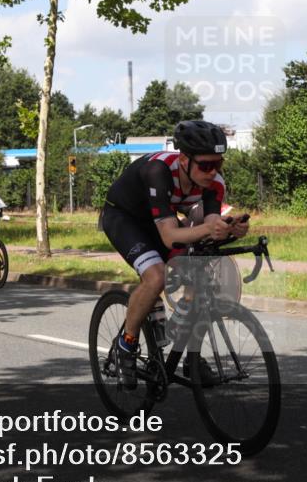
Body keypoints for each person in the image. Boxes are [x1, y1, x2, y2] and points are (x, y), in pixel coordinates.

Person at [101, 120, 250, 389]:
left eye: (219, 164)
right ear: (183, 160)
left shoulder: (214, 182)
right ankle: (127, 344)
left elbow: (210, 222)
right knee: (155, 276)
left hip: (162, 219)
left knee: (199, 272)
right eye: (205, 165)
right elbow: (169, 236)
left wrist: (230, 229)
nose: (212, 171)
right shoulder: (158, 171)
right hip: (125, 218)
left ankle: (188, 353)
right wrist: (208, 228)